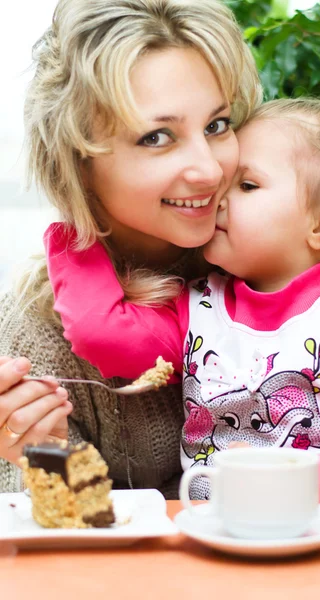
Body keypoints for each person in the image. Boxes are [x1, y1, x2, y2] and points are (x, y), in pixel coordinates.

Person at [45, 46, 320, 512]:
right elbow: (103, 334)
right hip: (215, 542)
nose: (216, 188)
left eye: (247, 185)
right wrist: (77, 222)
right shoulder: (200, 307)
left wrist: (287, 485)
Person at [0, 0, 262, 494]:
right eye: (157, 137)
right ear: (79, 164)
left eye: (217, 125)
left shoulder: (277, 264)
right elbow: (67, 546)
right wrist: (49, 458)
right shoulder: (37, 338)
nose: (209, 170)